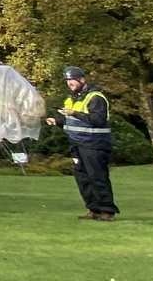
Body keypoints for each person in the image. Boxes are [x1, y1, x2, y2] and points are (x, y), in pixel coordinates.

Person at [44, 65, 119, 220]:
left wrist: (75, 113)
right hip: (77, 145)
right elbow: (69, 120)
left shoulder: (95, 98)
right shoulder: (71, 99)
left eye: (72, 80)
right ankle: (94, 209)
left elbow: (98, 120)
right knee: (83, 179)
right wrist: (57, 121)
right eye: (67, 80)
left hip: (94, 144)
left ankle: (107, 211)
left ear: (81, 79)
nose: (69, 83)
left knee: (97, 177)